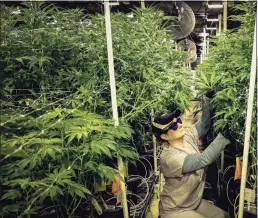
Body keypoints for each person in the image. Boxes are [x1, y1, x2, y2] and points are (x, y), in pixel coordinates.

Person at [152, 90, 230, 218]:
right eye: (173, 126)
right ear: (164, 136)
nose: (179, 125)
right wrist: (224, 137)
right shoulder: (170, 158)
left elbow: (204, 124)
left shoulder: (187, 135)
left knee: (223, 216)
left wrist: (208, 100)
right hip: (175, 209)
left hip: (192, 202)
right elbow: (203, 160)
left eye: (178, 122)